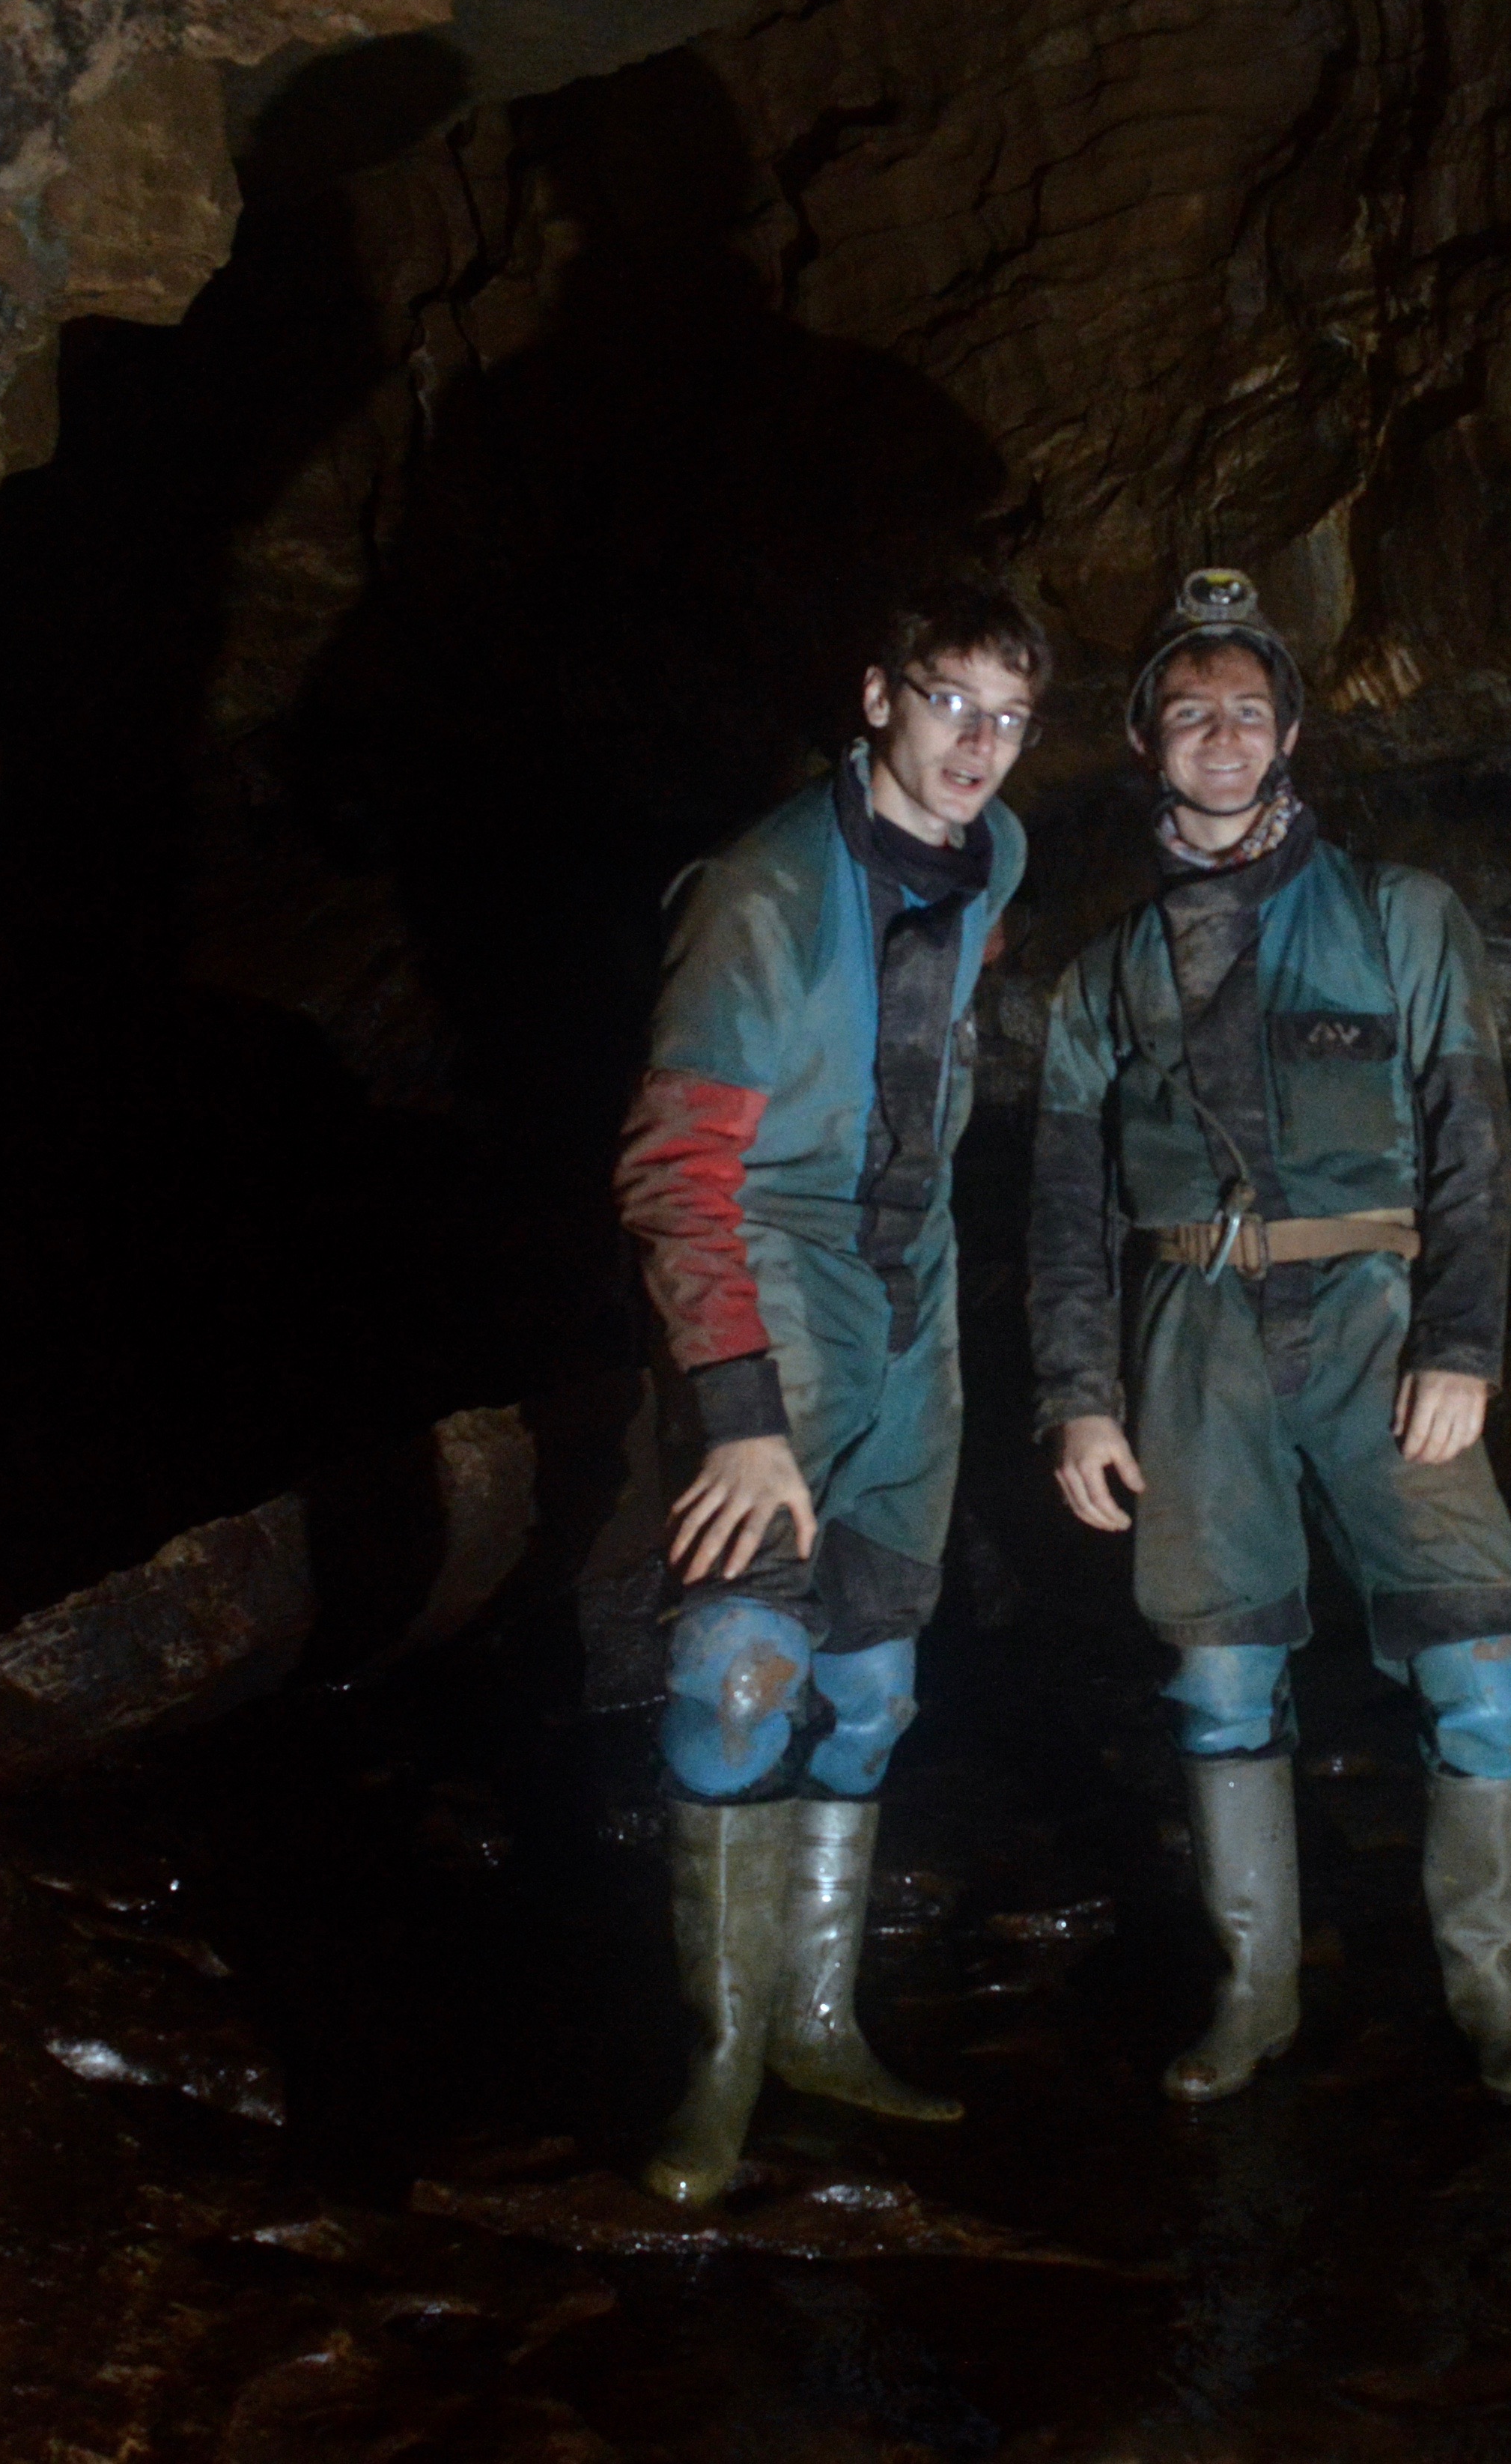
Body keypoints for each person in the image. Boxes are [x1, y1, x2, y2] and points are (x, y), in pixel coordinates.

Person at [1027, 568, 1511, 2107]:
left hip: (1375, 1325)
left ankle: (1490, 1987)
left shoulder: (1401, 916)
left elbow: (1474, 1140)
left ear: (1289, 736)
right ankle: (1255, 1993)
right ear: (1147, 740)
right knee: (1220, 1679)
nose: (1221, 735)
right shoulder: (1104, 974)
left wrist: (1462, 1343)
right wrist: (1076, 1396)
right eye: (1190, 712)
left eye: (1247, 711)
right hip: (1189, 1335)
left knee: (1480, 1661)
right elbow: (1064, 1203)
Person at [609, 585, 1045, 2201]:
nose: (978, 747)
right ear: (877, 698)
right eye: (948, 703)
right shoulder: (763, 893)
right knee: (739, 1668)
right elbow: (673, 1167)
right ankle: (716, 2068)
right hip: (773, 1267)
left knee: (871, 1683)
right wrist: (735, 1408)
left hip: (912, 1289)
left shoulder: (998, 854)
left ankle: (815, 2023)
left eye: (1010, 719)